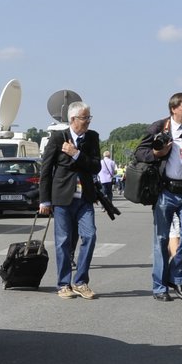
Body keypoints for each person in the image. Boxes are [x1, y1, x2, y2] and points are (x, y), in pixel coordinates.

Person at [136, 92, 182, 301]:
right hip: (165, 191)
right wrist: (156, 154)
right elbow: (140, 152)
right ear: (174, 108)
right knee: (161, 239)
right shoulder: (159, 127)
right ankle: (160, 287)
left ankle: (176, 274)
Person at [38, 103, 102, 299]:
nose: (88, 121)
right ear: (73, 119)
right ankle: (64, 284)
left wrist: (76, 154)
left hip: (84, 198)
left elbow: (96, 166)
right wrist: (44, 200)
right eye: (85, 118)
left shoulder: (92, 137)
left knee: (90, 236)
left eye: (89, 117)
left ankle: (81, 282)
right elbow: (46, 170)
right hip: (62, 198)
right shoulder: (58, 138)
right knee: (63, 241)